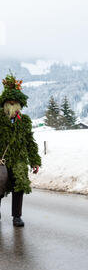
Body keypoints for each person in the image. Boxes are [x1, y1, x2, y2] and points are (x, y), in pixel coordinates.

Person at [0, 74, 41, 227]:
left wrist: (35, 161)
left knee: (20, 184)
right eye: (9, 102)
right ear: (4, 104)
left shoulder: (24, 122)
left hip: (19, 159)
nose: (12, 105)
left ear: (19, 105)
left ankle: (17, 216)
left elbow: (30, 141)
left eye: (14, 103)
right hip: (1, 160)